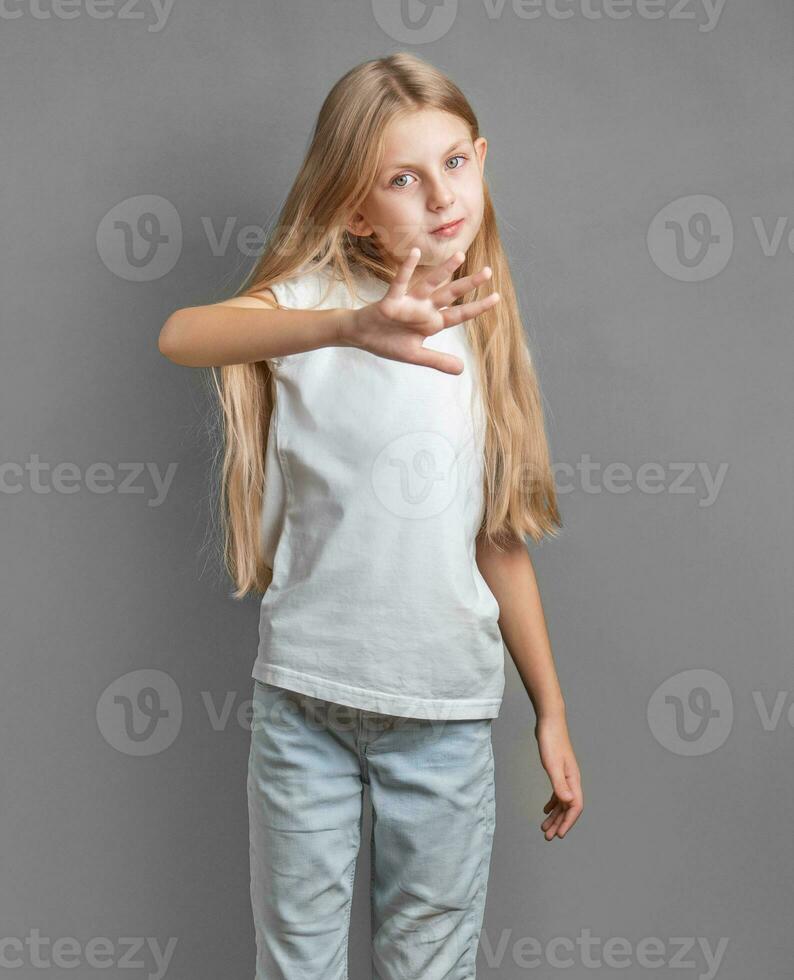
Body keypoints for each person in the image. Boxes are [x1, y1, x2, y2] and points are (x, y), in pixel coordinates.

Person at [158, 51, 583, 980]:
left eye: (455, 164)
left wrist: (550, 710)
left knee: (429, 965)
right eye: (403, 178)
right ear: (355, 206)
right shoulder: (314, 306)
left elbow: (499, 541)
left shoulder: (486, 330)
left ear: (482, 160)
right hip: (304, 708)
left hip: (446, 719)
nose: (441, 197)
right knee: (296, 963)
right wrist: (348, 327)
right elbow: (183, 334)